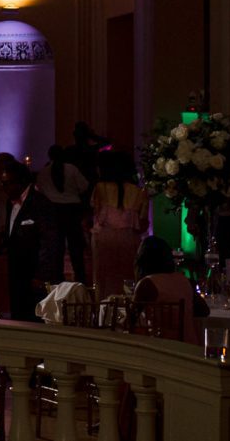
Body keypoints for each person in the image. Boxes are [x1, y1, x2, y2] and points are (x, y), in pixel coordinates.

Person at [131, 235, 208, 346]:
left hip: (162, 348)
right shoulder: (183, 280)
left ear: (142, 259)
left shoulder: (147, 284)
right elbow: (204, 310)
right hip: (190, 346)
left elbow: (131, 321)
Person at [89, 151, 147, 295]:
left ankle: (104, 313)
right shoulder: (138, 191)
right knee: (128, 280)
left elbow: (96, 214)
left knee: (104, 281)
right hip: (129, 239)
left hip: (104, 238)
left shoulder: (100, 188)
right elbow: (143, 223)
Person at [0, 158, 44, 322]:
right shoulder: (11, 203)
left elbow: (48, 242)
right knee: (18, 316)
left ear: (21, 181)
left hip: (33, 275)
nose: (4, 188)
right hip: (16, 272)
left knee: (33, 319)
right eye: (2, 184)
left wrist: (40, 274)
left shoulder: (39, 203)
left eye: (7, 183)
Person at [35, 144, 90, 285]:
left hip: (53, 210)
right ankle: (80, 279)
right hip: (72, 209)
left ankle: (57, 280)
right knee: (75, 247)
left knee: (56, 246)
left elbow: (40, 190)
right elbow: (84, 186)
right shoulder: (72, 169)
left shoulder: (44, 172)